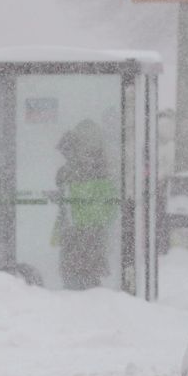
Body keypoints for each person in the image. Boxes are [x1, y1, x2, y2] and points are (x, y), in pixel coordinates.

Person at [52, 119, 117, 290]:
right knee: (88, 274)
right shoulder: (102, 166)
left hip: (78, 228)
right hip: (90, 229)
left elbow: (62, 181)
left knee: (77, 273)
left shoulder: (78, 168)